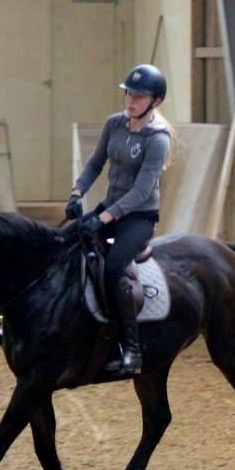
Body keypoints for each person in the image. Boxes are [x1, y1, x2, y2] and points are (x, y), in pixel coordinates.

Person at [67, 63, 171, 376]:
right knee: (65, 243)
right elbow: (95, 163)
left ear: (155, 101)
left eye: (139, 97)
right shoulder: (115, 124)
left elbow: (142, 191)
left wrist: (105, 218)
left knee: (113, 269)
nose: (131, 101)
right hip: (109, 206)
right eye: (129, 94)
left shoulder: (158, 139)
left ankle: (131, 349)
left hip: (138, 217)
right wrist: (76, 193)